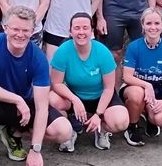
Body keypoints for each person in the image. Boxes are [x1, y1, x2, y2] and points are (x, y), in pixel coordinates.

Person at [0, 5, 73, 166]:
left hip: (23, 107)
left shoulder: (38, 57)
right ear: (5, 28)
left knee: (64, 131)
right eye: (15, 29)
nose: (20, 34)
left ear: (33, 31)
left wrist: (35, 149)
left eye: (25, 30)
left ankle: (13, 134)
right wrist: (16, 99)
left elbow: (41, 107)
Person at [49, 13, 127, 152]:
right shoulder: (63, 51)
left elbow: (109, 88)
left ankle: (102, 129)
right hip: (75, 96)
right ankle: (68, 131)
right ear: (70, 31)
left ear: (91, 31)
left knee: (120, 121)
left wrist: (98, 114)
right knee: (52, 99)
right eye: (77, 28)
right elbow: (56, 83)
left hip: (100, 95)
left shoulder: (102, 52)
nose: (81, 32)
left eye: (85, 28)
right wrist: (74, 99)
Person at [121, 7, 162, 146]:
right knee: (138, 93)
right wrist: (146, 85)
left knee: (161, 119)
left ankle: (149, 118)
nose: (153, 27)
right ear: (142, 25)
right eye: (148, 24)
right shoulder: (134, 47)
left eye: (156, 23)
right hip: (135, 86)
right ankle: (132, 126)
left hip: (159, 90)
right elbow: (127, 76)